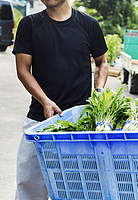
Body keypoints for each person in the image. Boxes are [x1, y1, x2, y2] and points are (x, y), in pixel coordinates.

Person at [12, 0, 109, 198]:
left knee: (76, 191)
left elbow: (102, 62)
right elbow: (23, 70)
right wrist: (45, 101)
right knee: (29, 191)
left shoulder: (89, 24)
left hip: (79, 125)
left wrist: (98, 92)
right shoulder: (29, 25)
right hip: (39, 122)